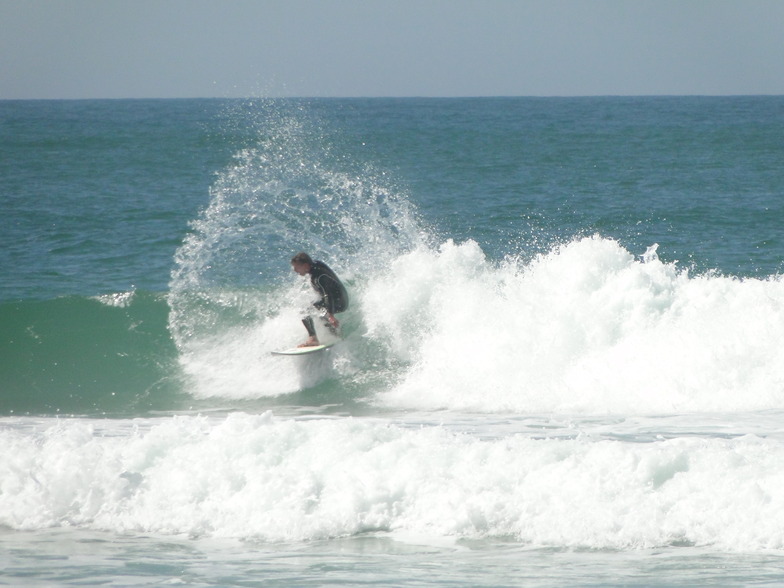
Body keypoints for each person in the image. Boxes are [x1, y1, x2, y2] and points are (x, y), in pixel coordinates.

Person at [291, 252, 349, 347]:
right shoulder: (315, 265)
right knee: (319, 310)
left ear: (305, 265)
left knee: (305, 309)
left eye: (297, 267)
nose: (295, 270)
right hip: (341, 299)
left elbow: (328, 295)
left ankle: (313, 339)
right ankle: (337, 335)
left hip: (339, 302)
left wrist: (331, 315)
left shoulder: (318, 277)